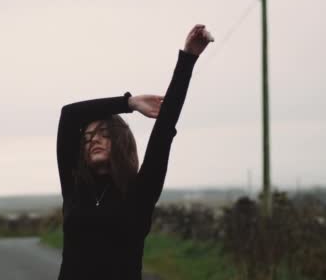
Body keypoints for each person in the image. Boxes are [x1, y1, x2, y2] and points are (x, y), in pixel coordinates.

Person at [56, 24, 213, 280]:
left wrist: (188, 58)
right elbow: (69, 114)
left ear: (120, 143)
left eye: (104, 135)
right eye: (87, 138)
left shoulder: (140, 192)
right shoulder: (74, 187)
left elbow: (164, 130)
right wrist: (128, 103)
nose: (93, 141)